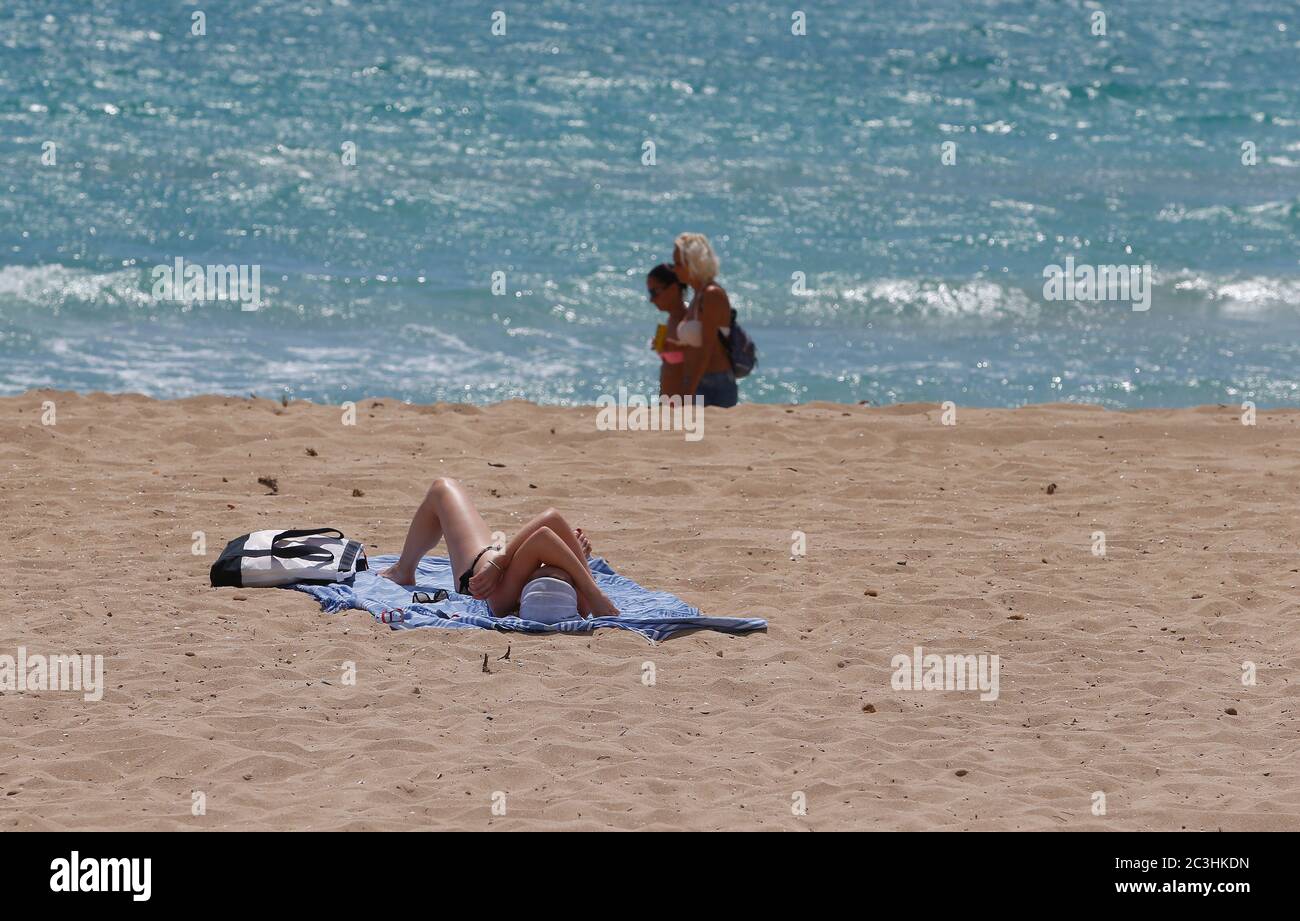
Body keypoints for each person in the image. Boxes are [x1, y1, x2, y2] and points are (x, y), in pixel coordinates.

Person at [379, 477, 619, 620]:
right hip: (498, 569)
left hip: (478, 566)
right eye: (563, 573)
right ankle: (404, 568)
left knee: (442, 488)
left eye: (544, 570)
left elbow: (547, 529)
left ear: (526, 588)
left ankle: (403, 570)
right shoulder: (583, 604)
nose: (549, 566)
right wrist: (579, 560)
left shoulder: (503, 598)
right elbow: (549, 540)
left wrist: (499, 563)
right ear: (573, 590)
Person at [669, 232, 738, 408]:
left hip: (714, 381)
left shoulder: (711, 295)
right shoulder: (698, 295)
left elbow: (707, 348)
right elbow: (700, 343)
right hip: (699, 378)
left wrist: (689, 388)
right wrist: (675, 347)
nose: (674, 269)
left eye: (678, 264)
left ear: (693, 264)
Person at [647, 262, 688, 399]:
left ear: (673, 289)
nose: (651, 299)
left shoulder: (688, 322)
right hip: (669, 402)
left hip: (686, 403)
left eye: (654, 292)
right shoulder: (671, 321)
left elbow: (703, 360)